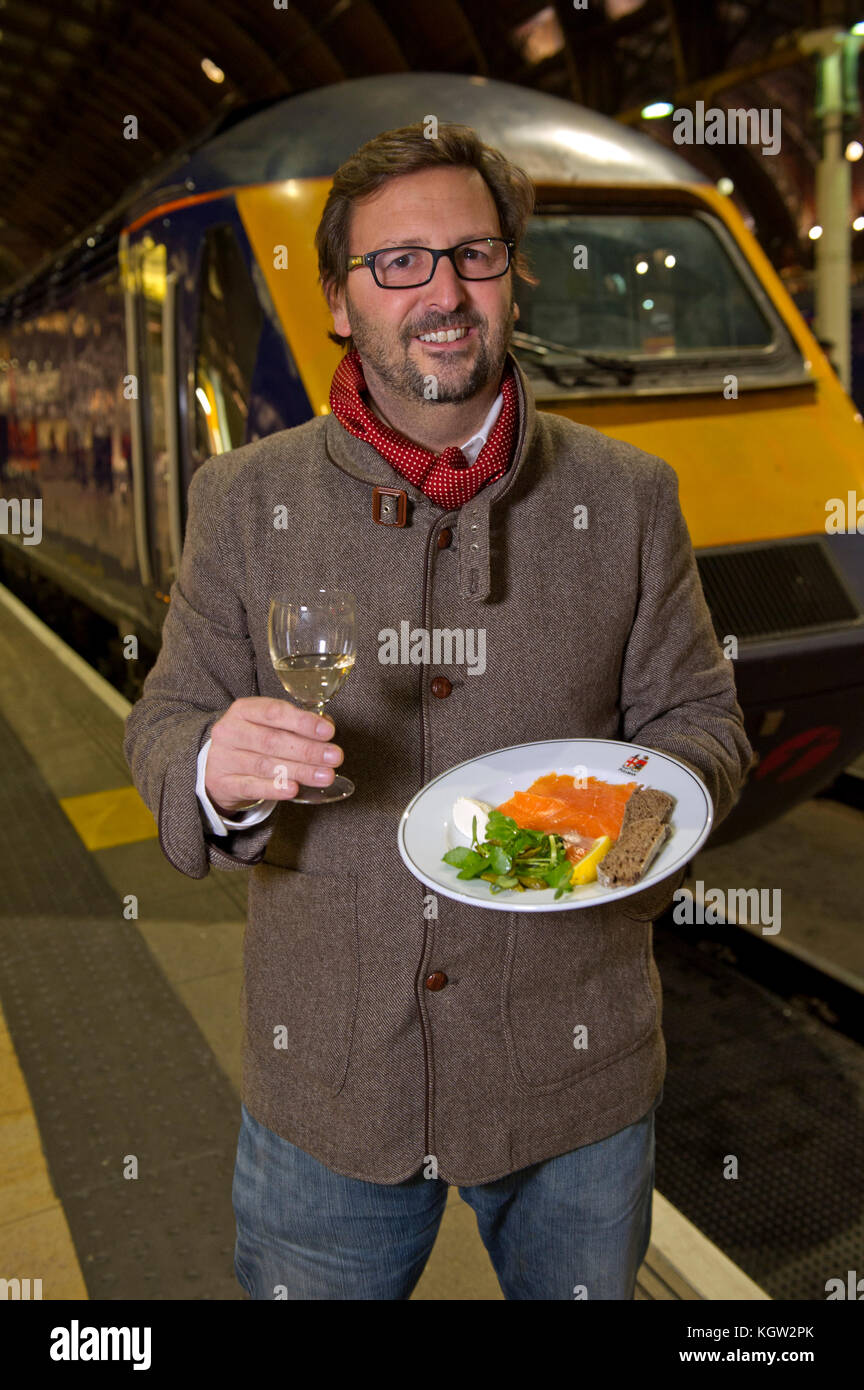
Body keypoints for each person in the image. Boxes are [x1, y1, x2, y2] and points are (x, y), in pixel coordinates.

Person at [124, 122, 754, 1301]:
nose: (445, 293)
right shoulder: (240, 499)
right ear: (337, 300)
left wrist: (637, 816)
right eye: (399, 262)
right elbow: (165, 721)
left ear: (511, 277)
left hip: (577, 1081)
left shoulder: (628, 499)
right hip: (331, 1090)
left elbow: (704, 725)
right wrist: (210, 762)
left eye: (474, 254)